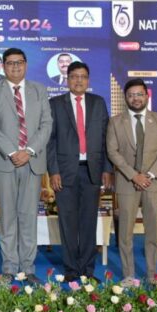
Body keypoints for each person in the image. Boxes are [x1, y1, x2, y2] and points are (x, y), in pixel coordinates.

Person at [0, 48, 52, 284]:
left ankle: (28, 268)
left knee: (29, 216)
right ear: (3, 66)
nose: (15, 66)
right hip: (6, 161)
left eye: (19, 62)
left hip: (32, 161)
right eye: (10, 63)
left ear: (26, 64)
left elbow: (46, 124)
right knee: (8, 217)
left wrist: (29, 151)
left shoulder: (39, 90)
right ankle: (9, 267)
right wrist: (13, 152)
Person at [46, 61, 112, 282]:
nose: (78, 80)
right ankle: (71, 270)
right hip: (64, 173)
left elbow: (106, 138)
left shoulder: (98, 103)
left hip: (92, 171)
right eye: (74, 76)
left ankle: (87, 270)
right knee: (67, 222)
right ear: (67, 80)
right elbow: (50, 141)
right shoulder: (55, 104)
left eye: (83, 76)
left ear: (88, 80)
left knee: (88, 222)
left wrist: (107, 168)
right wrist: (53, 171)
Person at [106, 79, 157, 285]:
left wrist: (149, 175)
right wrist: (133, 175)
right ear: (125, 98)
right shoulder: (115, 122)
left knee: (153, 232)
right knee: (125, 234)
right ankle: (128, 275)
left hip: (154, 183)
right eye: (131, 95)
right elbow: (112, 151)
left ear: (147, 96)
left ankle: (152, 275)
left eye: (139, 94)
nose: (135, 98)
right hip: (127, 183)